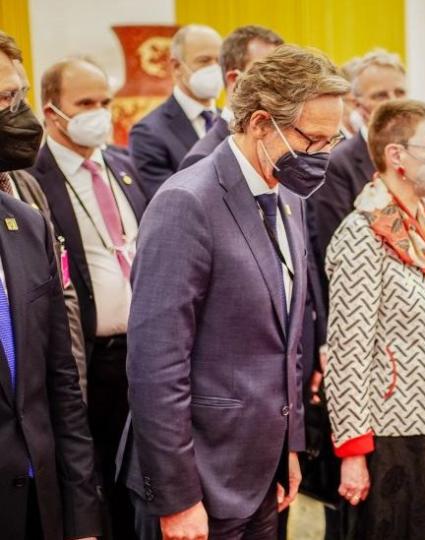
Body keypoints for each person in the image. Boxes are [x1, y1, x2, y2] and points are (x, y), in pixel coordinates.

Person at [122, 45, 348, 540]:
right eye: (314, 140)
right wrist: (178, 499)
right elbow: (155, 367)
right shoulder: (187, 202)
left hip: (261, 470)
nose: (324, 156)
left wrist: (288, 447)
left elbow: (284, 340)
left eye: (334, 140)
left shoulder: (288, 194)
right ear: (262, 123)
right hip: (200, 477)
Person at [323, 98, 425, 540]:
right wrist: (353, 451)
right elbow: (347, 351)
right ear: (397, 157)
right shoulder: (363, 233)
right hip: (393, 430)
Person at [28, 56, 147, 539]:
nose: (98, 112)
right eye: (85, 103)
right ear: (51, 110)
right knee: (94, 482)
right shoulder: (33, 179)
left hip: (140, 354)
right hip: (87, 362)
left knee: (141, 480)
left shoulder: (123, 165)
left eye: (105, 102)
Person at [0, 43, 86, 400]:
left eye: (20, 95)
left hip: (41, 406)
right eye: (6, 97)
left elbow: (60, 295)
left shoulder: (27, 188)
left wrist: (75, 389)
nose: (19, 111)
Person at [306, 48, 407, 283]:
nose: (393, 102)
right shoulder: (337, 166)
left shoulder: (421, 157)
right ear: (357, 103)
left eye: (400, 92)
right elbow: (334, 252)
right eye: (380, 95)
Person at [129, 24, 222, 198]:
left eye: (220, 61)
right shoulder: (148, 133)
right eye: (204, 61)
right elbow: (169, 201)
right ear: (176, 67)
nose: (214, 68)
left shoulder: (232, 121)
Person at [179, 25, 283, 170]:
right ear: (235, 79)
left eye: (282, 74)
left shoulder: (284, 144)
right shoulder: (203, 158)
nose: (280, 84)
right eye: (268, 73)